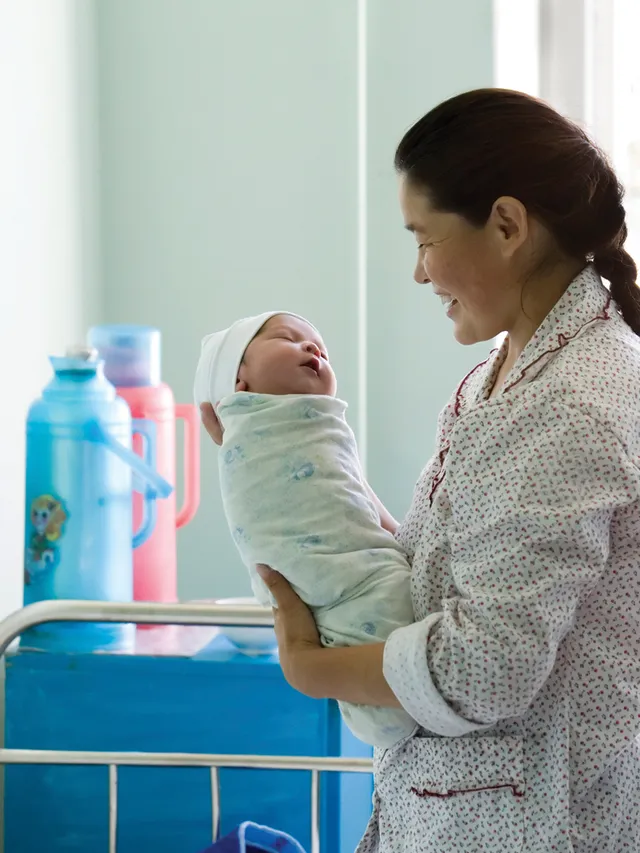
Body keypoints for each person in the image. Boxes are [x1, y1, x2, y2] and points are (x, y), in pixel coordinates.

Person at [200, 89, 640, 851]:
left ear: (507, 225)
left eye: (424, 239)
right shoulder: (503, 377)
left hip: (532, 823)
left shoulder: (565, 407)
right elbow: (474, 575)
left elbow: (487, 666)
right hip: (470, 809)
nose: (418, 272)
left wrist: (313, 669)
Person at [194, 311, 415, 747]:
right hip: (330, 586)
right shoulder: (250, 432)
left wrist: (402, 544)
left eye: (321, 349)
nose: (313, 349)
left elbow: (356, 498)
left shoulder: (323, 428)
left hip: (370, 570)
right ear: (239, 384)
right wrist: (240, 434)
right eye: (287, 338)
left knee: (397, 613)